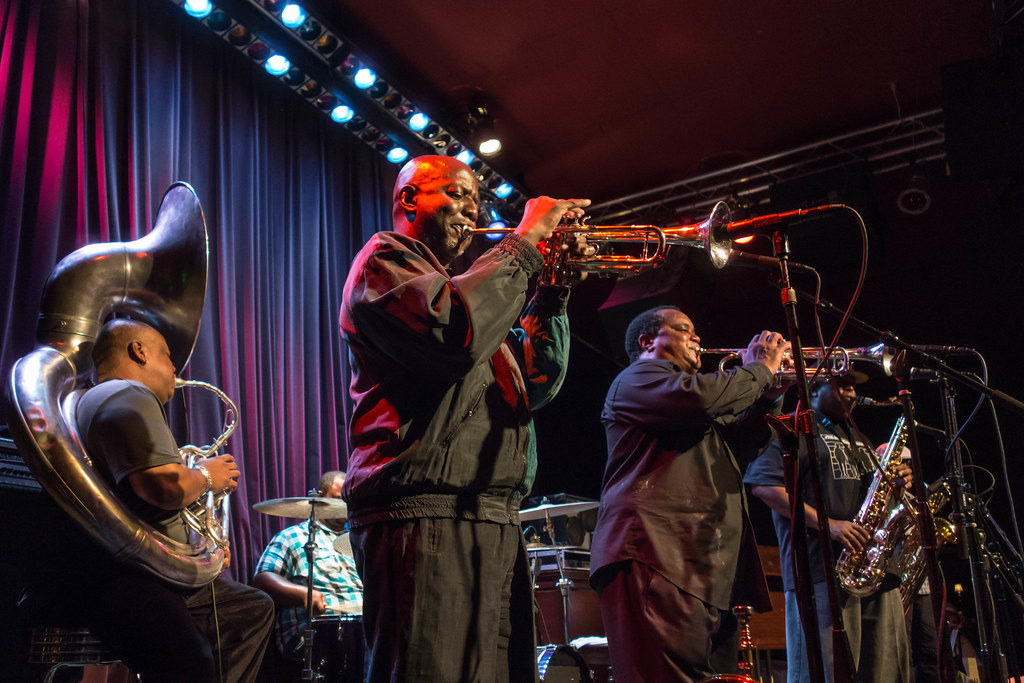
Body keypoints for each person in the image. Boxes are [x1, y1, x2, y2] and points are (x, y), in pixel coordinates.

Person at [339, 154, 590, 682]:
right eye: (457, 194)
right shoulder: (382, 262)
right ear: (410, 199)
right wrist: (523, 243)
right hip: (425, 513)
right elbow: (455, 337)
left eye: (476, 200)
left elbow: (538, 380)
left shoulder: (473, 291)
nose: (471, 211)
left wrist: (553, 292)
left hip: (492, 517)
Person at [23, 318, 274, 682]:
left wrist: (205, 550)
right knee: (189, 662)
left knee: (249, 610)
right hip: (122, 574)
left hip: (139, 569)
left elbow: (146, 503)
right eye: (168, 356)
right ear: (138, 351)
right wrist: (206, 475)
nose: (175, 368)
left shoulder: (102, 397)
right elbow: (162, 488)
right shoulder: (127, 393)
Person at [589, 305, 791, 683]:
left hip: (699, 566)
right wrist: (760, 369)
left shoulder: (698, 401)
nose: (697, 337)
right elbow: (701, 399)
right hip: (655, 555)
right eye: (684, 329)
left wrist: (769, 395)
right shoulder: (639, 378)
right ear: (648, 342)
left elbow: (743, 444)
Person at [743, 373, 912, 683]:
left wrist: (895, 487)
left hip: (874, 568)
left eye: (854, 387)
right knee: (826, 672)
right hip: (822, 567)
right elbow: (765, 487)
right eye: (843, 386)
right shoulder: (789, 427)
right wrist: (829, 525)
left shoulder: (858, 438)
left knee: (883, 673)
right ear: (814, 388)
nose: (851, 394)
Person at [253, 470, 363, 661]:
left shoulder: (357, 541)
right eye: (337, 499)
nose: (344, 506)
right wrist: (305, 595)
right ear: (320, 498)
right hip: (315, 631)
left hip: (362, 627)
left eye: (348, 500)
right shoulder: (293, 536)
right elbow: (263, 579)